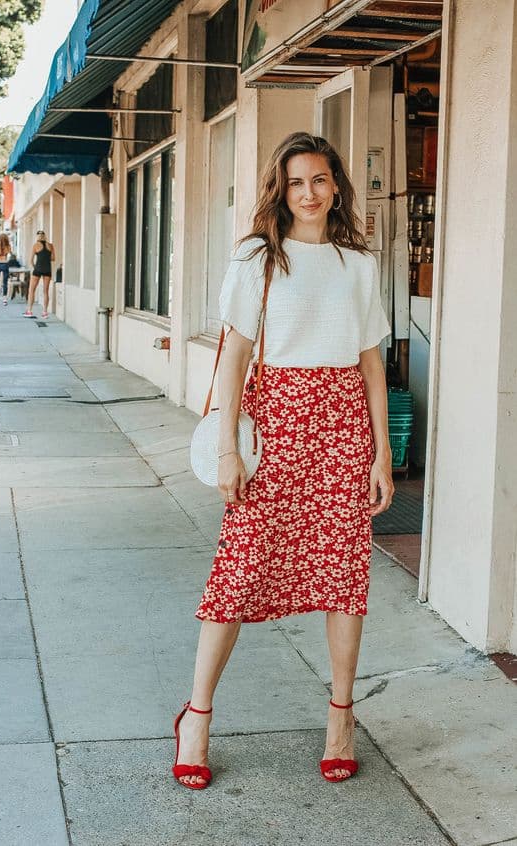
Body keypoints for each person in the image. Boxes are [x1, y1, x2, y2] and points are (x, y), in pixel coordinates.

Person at [172, 132, 394, 790]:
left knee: (342, 577)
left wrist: (381, 452)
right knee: (237, 574)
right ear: (281, 188)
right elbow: (237, 353)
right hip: (273, 425)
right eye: (297, 182)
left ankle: (341, 719)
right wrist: (229, 448)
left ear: (337, 187)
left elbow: (372, 364)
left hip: (341, 431)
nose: (309, 193)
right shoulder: (257, 258)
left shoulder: (359, 264)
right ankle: (196, 718)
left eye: (320, 180)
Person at [25, 230, 55, 318]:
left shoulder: (35, 245)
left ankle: (29, 311)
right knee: (46, 291)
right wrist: (46, 258)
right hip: (47, 269)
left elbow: (31, 260)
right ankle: (45, 312)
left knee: (31, 290)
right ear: (45, 236)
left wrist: (36, 267)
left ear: (37, 237)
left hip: (38, 269)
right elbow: (53, 258)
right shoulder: (51, 246)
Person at [0, 234, 11, 305]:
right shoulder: (8, 246)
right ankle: (4, 299)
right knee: (5, 282)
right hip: (5, 264)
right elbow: (9, 255)